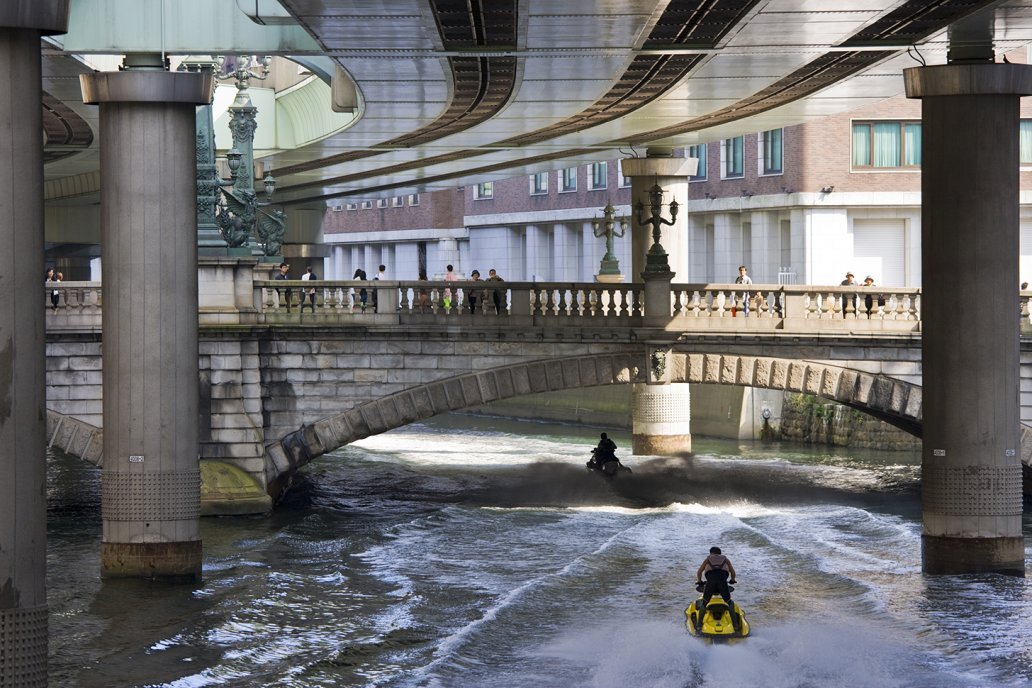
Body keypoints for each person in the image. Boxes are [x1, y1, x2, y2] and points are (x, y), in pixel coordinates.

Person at [696, 546, 737, 613]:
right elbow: (732, 572)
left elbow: (699, 572)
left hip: (710, 582)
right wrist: (732, 580)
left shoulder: (707, 559)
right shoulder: (725, 559)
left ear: (711, 553)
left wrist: (699, 581)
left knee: (705, 602)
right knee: (729, 601)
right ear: (720, 553)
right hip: (722, 581)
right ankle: (735, 622)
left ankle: (699, 623)